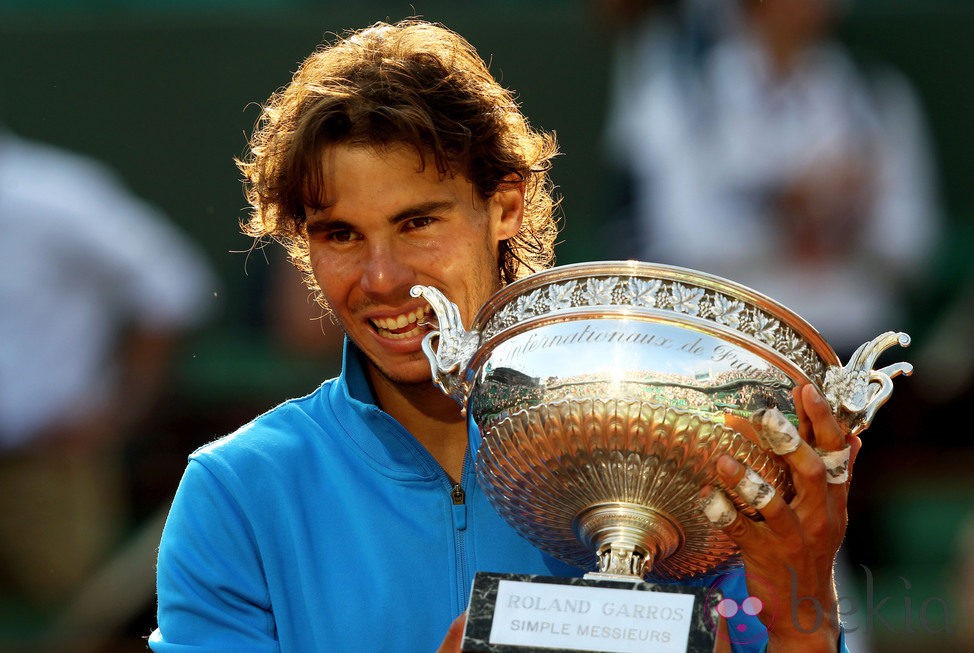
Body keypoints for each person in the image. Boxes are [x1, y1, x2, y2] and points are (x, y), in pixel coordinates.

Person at [150, 19, 857, 652]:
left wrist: (803, 618)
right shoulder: (237, 493)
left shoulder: (688, 457)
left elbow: (785, 634)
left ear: (506, 206)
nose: (384, 278)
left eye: (418, 222)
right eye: (341, 235)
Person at [602, 0, 940, 354]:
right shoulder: (680, 97)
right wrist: (782, 213)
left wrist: (847, 216)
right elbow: (673, 241)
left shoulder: (879, 96)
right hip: (726, 351)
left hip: (857, 349)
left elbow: (915, 244)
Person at [0, 128, 215, 617]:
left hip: (46, 465)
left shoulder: (56, 194)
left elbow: (173, 287)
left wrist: (119, 410)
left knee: (72, 621)